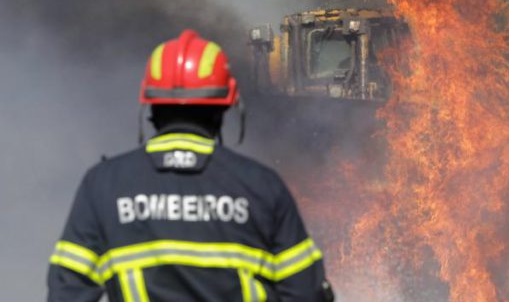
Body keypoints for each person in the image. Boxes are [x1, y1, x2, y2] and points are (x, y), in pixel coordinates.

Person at [48, 29, 334, 302]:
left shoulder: (103, 187)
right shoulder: (262, 187)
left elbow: (67, 292)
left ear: (150, 107)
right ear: (224, 108)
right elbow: (305, 294)